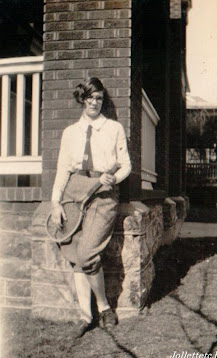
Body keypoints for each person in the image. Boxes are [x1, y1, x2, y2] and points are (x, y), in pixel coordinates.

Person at [51, 77, 131, 339]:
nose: (94, 103)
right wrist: (55, 202)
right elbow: (63, 169)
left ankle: (104, 307)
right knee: (75, 252)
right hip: (74, 190)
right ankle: (85, 316)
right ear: (82, 99)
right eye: (90, 97)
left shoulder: (114, 128)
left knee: (86, 253)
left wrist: (114, 179)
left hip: (103, 193)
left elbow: (126, 165)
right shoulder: (70, 133)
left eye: (99, 98)